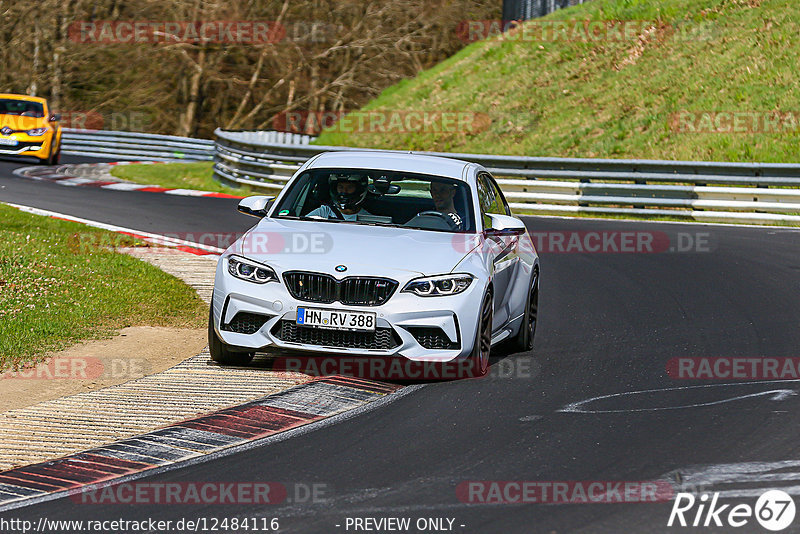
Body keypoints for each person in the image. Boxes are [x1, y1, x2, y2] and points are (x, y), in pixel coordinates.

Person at [307, 173, 372, 221]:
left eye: (349, 187)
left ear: (359, 189)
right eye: (340, 187)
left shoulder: (368, 218)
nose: (344, 191)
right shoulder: (324, 212)